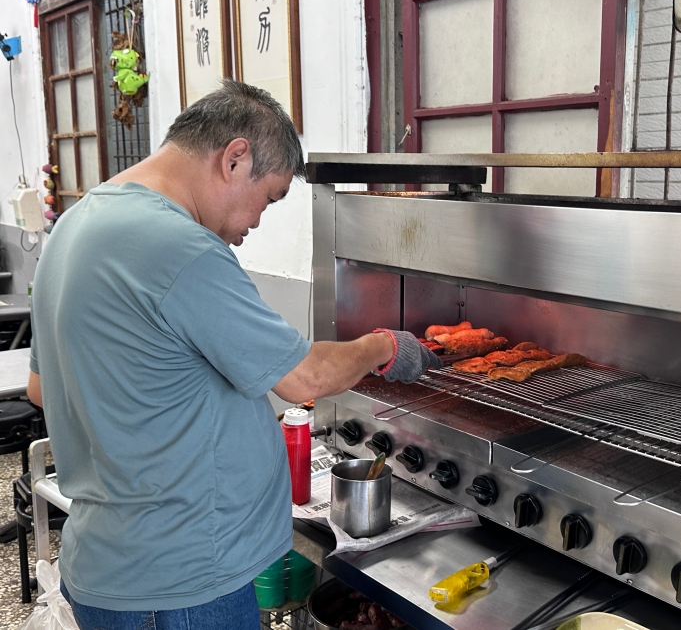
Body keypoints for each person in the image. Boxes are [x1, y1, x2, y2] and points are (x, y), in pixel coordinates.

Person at [26, 80, 440, 630]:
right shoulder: (177, 246)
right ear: (235, 158)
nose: (256, 224)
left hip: (110, 568)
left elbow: (44, 387)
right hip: (180, 585)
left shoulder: (77, 224)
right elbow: (305, 377)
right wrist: (385, 345)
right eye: (267, 198)